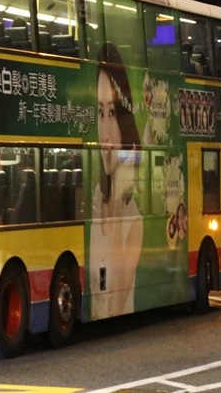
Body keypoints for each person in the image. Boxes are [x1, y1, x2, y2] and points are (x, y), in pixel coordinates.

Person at [89, 42, 144, 320]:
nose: (106, 134)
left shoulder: (134, 223)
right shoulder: (95, 196)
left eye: (112, 113)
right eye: (100, 113)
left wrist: (119, 191)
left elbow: (114, 305)